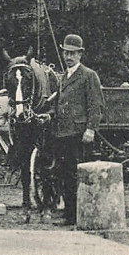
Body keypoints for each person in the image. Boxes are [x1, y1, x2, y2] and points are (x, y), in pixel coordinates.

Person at [52, 33, 103, 225]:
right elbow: (58, 103)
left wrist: (91, 129)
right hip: (62, 132)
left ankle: (77, 216)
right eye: (66, 53)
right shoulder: (62, 77)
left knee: (76, 174)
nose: (69, 57)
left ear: (80, 54)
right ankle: (69, 215)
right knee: (64, 173)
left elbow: (95, 105)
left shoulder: (89, 76)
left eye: (73, 53)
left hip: (79, 135)